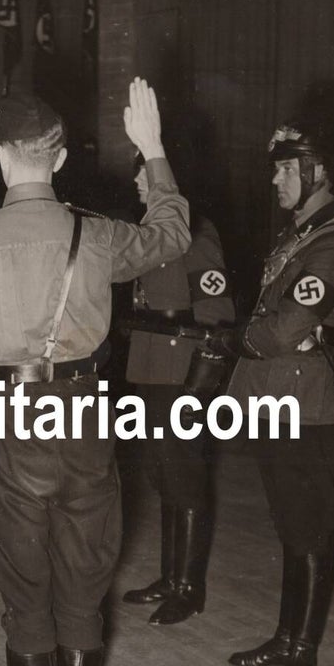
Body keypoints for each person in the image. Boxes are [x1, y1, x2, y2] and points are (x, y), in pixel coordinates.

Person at [0, 78, 191, 666]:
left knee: (25, 582)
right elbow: (173, 236)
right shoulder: (96, 233)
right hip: (85, 419)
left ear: (4, 154)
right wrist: (155, 151)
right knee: (84, 579)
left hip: (9, 424)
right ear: (58, 157)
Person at [209, 120, 334, 666]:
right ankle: (285, 635)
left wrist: (250, 336)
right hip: (283, 404)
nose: (274, 179)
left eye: (283, 168)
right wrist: (267, 333)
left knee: (311, 531)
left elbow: (286, 328)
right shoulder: (299, 238)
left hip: (313, 411)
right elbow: (277, 326)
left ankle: (304, 652)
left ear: (315, 173)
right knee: (292, 529)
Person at [122, 153, 235, 624]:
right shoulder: (151, 235)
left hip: (180, 377)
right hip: (148, 370)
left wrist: (196, 392)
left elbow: (218, 317)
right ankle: (169, 577)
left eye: (145, 175)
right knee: (162, 472)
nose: (137, 183)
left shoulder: (196, 237)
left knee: (185, 476)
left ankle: (189, 587)